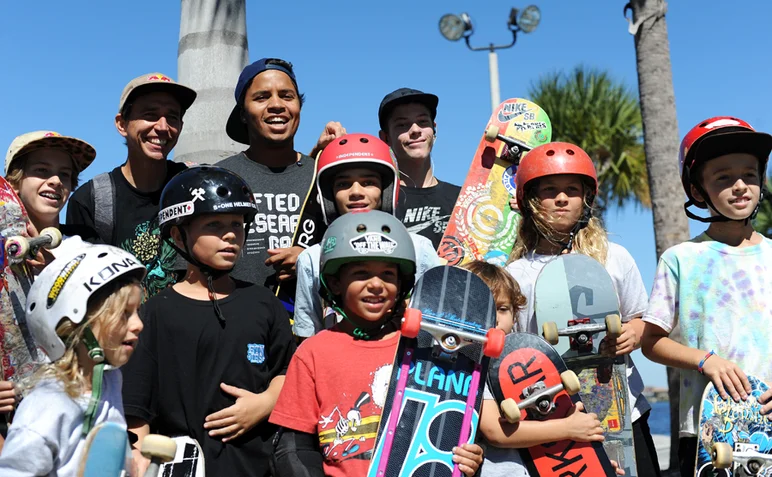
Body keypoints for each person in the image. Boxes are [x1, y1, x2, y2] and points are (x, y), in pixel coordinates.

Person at [269, 210, 483, 477]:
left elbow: (450, 432)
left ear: (402, 284)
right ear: (335, 283)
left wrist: (471, 458)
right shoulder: (313, 352)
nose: (376, 285)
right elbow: (294, 447)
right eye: (361, 273)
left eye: (387, 275)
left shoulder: (425, 349)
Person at [122, 166, 296, 476]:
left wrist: (266, 402)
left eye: (237, 224)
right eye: (214, 224)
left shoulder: (264, 302)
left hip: (258, 468)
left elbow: (288, 370)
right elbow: (137, 411)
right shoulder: (155, 313)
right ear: (178, 234)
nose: (230, 235)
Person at [505, 142, 659, 476]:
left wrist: (631, 335)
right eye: (549, 190)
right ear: (529, 200)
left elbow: (642, 321)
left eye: (571, 190)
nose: (561, 199)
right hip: (554, 420)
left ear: (586, 198)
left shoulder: (613, 257)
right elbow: (515, 347)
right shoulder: (516, 274)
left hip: (624, 412)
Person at [641, 116, 772, 477]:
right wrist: (705, 361)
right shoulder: (682, 258)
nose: (740, 186)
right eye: (723, 177)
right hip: (706, 431)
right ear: (698, 192)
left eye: (750, 174)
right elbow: (652, 342)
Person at [0, 244, 146, 476]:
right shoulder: (47, 406)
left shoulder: (109, 381)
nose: (139, 325)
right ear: (78, 325)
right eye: (124, 314)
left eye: (138, 312)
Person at [293, 133, 440, 338]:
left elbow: (441, 319)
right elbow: (308, 333)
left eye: (368, 182)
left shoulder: (419, 248)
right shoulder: (312, 258)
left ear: (387, 190)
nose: (356, 192)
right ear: (328, 196)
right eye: (343, 184)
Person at [66, 72, 197, 300]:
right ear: (122, 124)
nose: (163, 127)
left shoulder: (194, 187)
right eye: (150, 115)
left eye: (173, 117)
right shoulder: (91, 200)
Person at [311, 88, 461, 249]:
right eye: (402, 124)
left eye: (423, 122)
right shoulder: (372, 199)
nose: (416, 130)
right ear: (385, 137)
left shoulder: (462, 199)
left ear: (434, 128)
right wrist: (316, 154)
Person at [218, 58, 318, 294]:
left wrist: (314, 259)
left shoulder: (324, 176)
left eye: (287, 96)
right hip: (236, 324)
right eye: (262, 97)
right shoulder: (220, 178)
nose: (276, 105)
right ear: (243, 113)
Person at [5, 130, 96, 241]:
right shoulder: (4, 249)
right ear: (14, 182)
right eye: (42, 170)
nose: (56, 181)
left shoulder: (87, 242)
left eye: (64, 174)